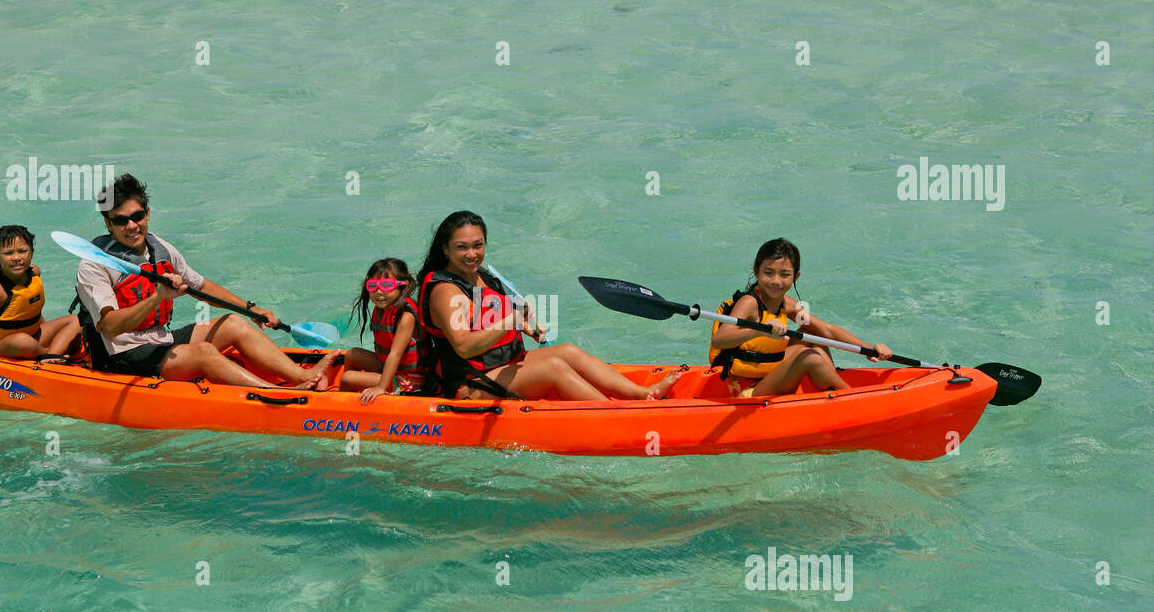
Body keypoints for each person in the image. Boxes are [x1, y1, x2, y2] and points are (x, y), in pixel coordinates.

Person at [74, 174, 338, 389]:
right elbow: (109, 326)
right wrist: (157, 298)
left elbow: (201, 286)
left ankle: (304, 377)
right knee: (204, 352)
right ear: (108, 223)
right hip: (121, 355)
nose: (132, 225)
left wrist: (250, 308)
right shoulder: (94, 264)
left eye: (137, 216)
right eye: (121, 220)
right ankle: (278, 395)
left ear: (148, 213)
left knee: (234, 323)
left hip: (160, 339)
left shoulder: (160, 248)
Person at [415, 211, 681, 401]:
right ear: (446, 249)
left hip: (501, 365)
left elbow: (487, 322)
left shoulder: (481, 275)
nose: (472, 254)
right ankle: (613, 414)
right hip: (470, 382)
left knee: (568, 352)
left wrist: (525, 328)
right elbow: (463, 345)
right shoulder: (445, 291)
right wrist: (510, 322)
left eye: (478, 245)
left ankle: (642, 393)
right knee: (553, 367)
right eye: (461, 247)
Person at [709, 237, 891, 397]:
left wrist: (869, 350)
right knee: (809, 357)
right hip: (746, 391)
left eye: (784, 274)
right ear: (757, 272)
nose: (776, 281)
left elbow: (827, 329)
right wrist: (759, 330)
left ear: (796, 276)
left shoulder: (786, 303)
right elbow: (720, 340)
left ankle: (832, 389)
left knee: (813, 333)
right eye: (768, 272)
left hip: (768, 374)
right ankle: (852, 398)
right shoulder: (750, 302)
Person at [0, 226, 81, 394]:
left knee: (77, 319)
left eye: (22, 251)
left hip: (33, 336)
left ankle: (49, 355)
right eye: (8, 253)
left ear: (31, 252)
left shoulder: (34, 273)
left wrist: (50, 334)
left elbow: (27, 308)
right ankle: (49, 353)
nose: (16, 258)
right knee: (22, 341)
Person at [339, 258, 425, 403]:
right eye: (373, 285)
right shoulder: (383, 309)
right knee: (352, 354)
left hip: (410, 380)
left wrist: (381, 387)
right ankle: (352, 392)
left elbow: (395, 354)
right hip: (389, 368)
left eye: (386, 285)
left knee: (347, 378)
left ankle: (354, 392)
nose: (379, 291)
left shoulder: (405, 316)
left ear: (402, 286)